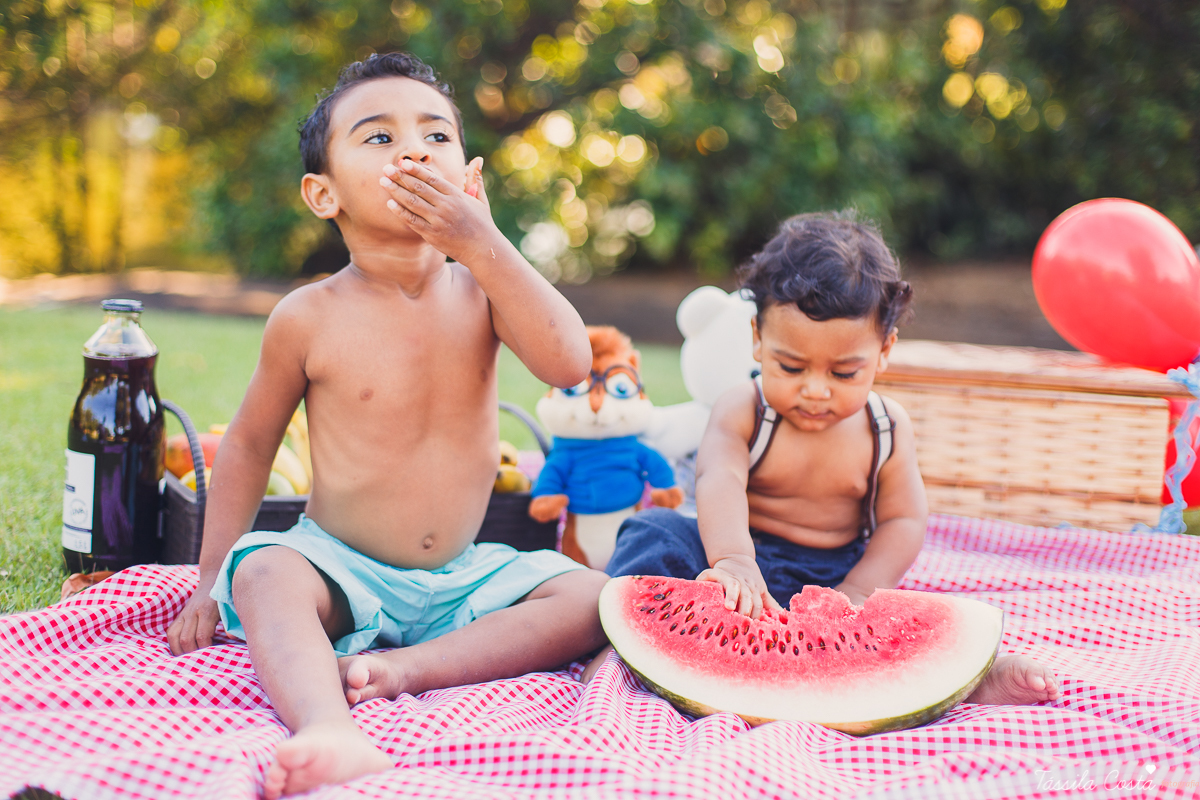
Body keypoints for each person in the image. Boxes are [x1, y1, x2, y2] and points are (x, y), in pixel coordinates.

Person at [165, 53, 608, 799]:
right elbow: (247, 445)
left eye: (435, 136)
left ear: (468, 177)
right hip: (341, 570)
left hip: (465, 578)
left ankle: (404, 671)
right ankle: (327, 726)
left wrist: (486, 242)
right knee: (267, 571)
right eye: (378, 138)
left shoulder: (486, 291)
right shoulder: (307, 316)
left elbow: (569, 364)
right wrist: (211, 580)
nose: (412, 151)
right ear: (322, 194)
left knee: (594, 597)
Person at [604, 211, 1060, 707]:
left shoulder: (886, 428)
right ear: (757, 339)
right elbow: (720, 480)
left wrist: (861, 587)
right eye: (791, 366)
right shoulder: (744, 409)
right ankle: (616, 645)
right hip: (734, 553)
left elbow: (904, 519)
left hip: (835, 573)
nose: (815, 390)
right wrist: (733, 561)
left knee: (906, 622)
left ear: (884, 351)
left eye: (844, 372)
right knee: (654, 531)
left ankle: (969, 679)